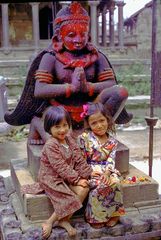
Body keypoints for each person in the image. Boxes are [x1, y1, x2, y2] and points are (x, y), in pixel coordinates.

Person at [4, 2, 132, 144]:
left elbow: (111, 84)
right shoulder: (50, 57)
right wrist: (71, 88)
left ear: (88, 35)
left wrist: (88, 87)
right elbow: (39, 90)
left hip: (89, 109)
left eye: (82, 34)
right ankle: (37, 123)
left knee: (120, 93)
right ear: (59, 35)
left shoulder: (97, 56)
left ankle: (91, 130)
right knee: (61, 146)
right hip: (59, 111)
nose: (78, 40)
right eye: (71, 35)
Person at [21, 106, 92, 239]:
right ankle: (49, 222)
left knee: (84, 189)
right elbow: (60, 167)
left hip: (67, 176)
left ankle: (64, 219)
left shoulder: (69, 139)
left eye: (65, 125)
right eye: (57, 127)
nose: (62, 130)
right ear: (49, 128)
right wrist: (77, 180)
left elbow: (78, 158)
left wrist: (89, 173)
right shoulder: (51, 145)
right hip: (51, 178)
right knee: (68, 196)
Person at [78, 102, 125, 228]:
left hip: (107, 170)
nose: (99, 125)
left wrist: (108, 173)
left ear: (107, 120)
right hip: (91, 170)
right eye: (94, 123)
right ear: (88, 124)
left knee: (115, 182)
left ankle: (115, 214)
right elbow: (80, 158)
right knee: (99, 185)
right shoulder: (84, 138)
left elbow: (111, 158)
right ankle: (96, 218)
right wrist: (87, 172)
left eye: (102, 121)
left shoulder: (112, 142)